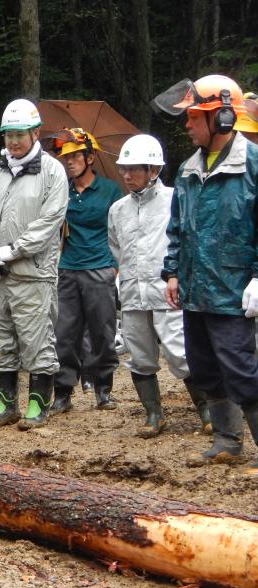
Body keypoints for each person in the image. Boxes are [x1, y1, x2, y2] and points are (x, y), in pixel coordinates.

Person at [156, 74, 258, 471]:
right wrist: (173, 273)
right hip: (196, 288)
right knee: (203, 367)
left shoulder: (251, 165)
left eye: (194, 117)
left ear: (222, 118)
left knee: (241, 369)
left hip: (234, 288)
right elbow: (178, 228)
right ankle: (227, 440)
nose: (187, 125)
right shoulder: (186, 170)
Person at [0, 99, 69, 430]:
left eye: (20, 134)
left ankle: (38, 404)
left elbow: (49, 221)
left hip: (33, 274)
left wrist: (14, 250)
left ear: (35, 132)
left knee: (36, 338)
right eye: (8, 135)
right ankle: (4, 404)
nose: (13, 141)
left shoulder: (52, 171)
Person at [108, 134, 210, 438]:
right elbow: (117, 248)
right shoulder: (117, 209)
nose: (127, 175)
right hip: (132, 293)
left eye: (134, 169)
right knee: (139, 355)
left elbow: (188, 242)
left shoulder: (175, 200)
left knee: (182, 353)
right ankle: (153, 414)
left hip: (168, 291)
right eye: (124, 169)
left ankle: (207, 409)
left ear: (153, 170)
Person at [49, 127, 122, 414]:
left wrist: (115, 266)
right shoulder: (60, 191)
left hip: (101, 267)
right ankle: (62, 393)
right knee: (64, 334)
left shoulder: (110, 189)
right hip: (67, 268)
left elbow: (120, 229)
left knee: (102, 333)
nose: (69, 161)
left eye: (76, 156)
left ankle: (103, 389)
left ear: (90, 158)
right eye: (66, 157)